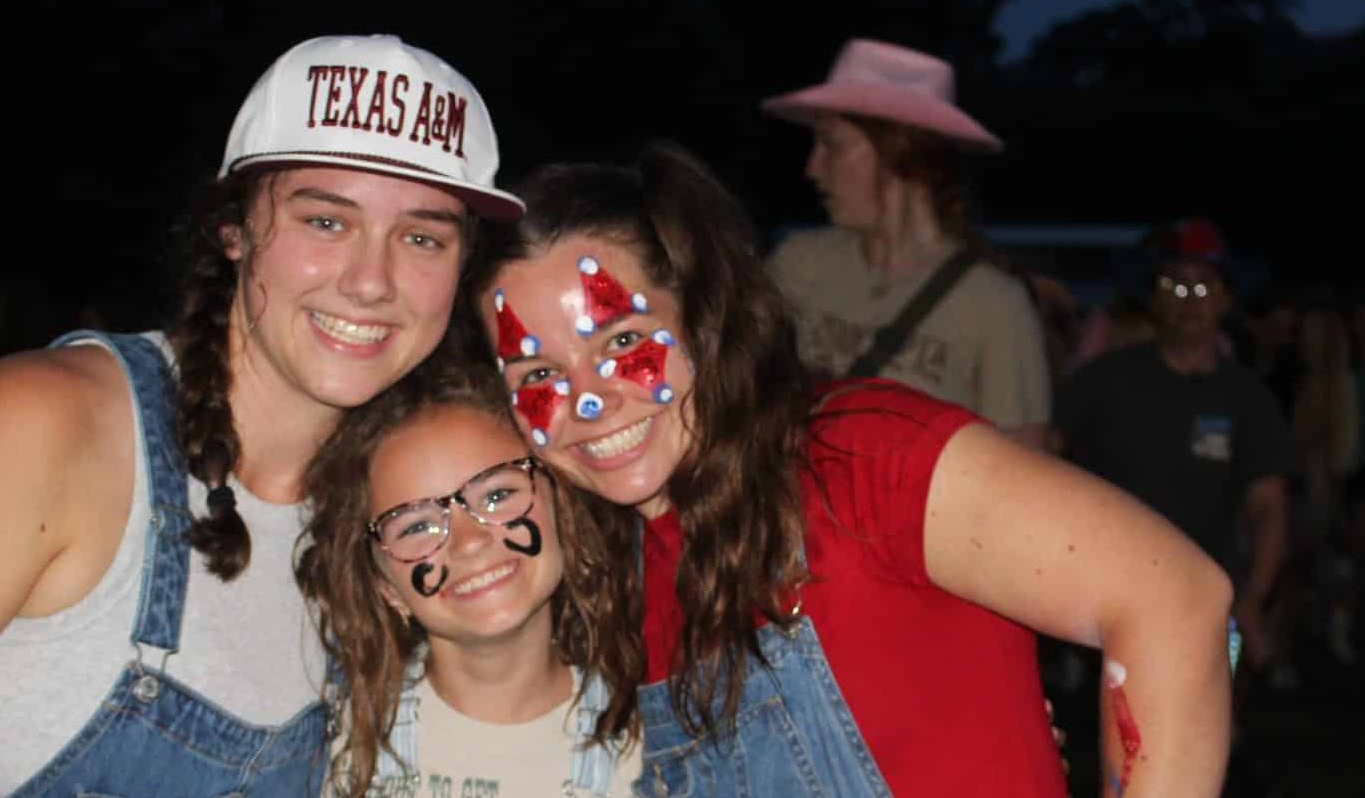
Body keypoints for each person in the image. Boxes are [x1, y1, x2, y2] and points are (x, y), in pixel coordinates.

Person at [0, 33, 522, 797]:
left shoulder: (399, 517)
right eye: (326, 221)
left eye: (421, 237)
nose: (370, 281)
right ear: (234, 229)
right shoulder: (41, 430)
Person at [466, 142, 1234, 796]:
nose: (589, 404)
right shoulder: (613, 571)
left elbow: (1173, 598)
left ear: (702, 314)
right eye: (538, 379)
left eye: (623, 344)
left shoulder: (855, 456)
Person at [297, 357, 641, 797]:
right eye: (416, 526)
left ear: (563, 512)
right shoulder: (335, 743)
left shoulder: (644, 748)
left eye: (497, 494)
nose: (468, 540)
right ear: (385, 586)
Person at [762, 38, 1052, 448]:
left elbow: (1024, 473)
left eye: (832, 144)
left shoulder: (994, 304)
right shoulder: (797, 264)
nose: (812, 168)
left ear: (898, 150)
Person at [1054, 218, 1291, 683]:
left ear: (1225, 299)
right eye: (1175, 287)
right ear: (1152, 297)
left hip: (1208, 603)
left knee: (1211, 735)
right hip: (1111, 606)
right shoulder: (1103, 381)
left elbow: (1269, 507)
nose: (1190, 302)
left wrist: (1253, 599)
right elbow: (1043, 467)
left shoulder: (1247, 396)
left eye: (1204, 288)